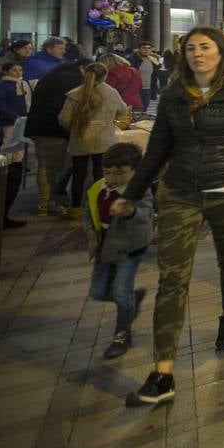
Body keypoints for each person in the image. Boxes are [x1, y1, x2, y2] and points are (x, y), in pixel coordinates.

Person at [120, 27, 224, 407]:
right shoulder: (175, 94)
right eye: (190, 48)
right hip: (180, 192)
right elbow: (157, 148)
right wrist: (131, 193)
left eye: (205, 47)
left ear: (222, 52)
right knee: (172, 278)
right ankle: (162, 373)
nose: (197, 54)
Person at [83, 141, 152, 359]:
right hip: (104, 248)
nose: (112, 177)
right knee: (98, 292)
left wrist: (130, 211)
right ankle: (132, 299)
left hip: (128, 249)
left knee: (121, 292)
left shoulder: (138, 191)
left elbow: (146, 215)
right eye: (107, 171)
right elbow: (88, 209)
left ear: (134, 171)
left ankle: (122, 335)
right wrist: (89, 231)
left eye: (119, 172)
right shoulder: (98, 188)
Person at [58, 61, 130, 223]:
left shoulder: (74, 94)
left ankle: (75, 210)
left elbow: (64, 119)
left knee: (79, 174)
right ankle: (99, 208)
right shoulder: (111, 92)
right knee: (101, 175)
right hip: (104, 139)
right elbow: (123, 111)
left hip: (81, 139)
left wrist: (76, 128)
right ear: (105, 76)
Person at [27, 60, 84, 216]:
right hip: (52, 129)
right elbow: (64, 107)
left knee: (46, 166)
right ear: (82, 68)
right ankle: (45, 204)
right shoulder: (72, 79)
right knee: (49, 167)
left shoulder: (53, 76)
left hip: (40, 126)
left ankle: (46, 203)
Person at [0, 60, 32, 228]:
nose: (18, 72)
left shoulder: (22, 84)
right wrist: (14, 116)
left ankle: (15, 163)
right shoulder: (5, 86)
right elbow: (1, 104)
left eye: (20, 69)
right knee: (10, 146)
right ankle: (10, 164)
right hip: (11, 122)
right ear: (6, 71)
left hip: (21, 121)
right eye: (14, 70)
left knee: (18, 148)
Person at [128, 42, 160, 106]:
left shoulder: (153, 60)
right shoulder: (132, 59)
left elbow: (155, 75)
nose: (146, 50)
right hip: (135, 89)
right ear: (139, 49)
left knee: (144, 108)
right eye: (144, 48)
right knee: (137, 109)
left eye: (149, 48)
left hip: (147, 89)